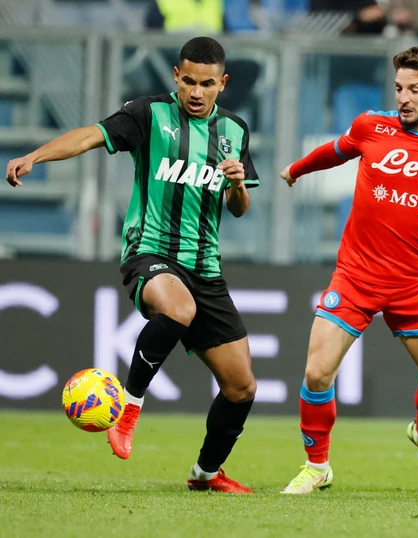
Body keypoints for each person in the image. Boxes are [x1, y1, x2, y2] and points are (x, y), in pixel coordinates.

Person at [5, 37, 259, 494]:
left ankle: (205, 474)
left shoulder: (235, 131)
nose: (195, 92)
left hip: (205, 268)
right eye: (188, 81)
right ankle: (130, 404)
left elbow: (239, 209)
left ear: (222, 83)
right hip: (150, 252)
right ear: (176, 76)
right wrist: (34, 156)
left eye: (206, 84)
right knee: (178, 308)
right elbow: (90, 135)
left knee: (242, 387)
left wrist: (238, 185)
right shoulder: (149, 114)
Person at [278, 46, 418, 495]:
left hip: (412, 283)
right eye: (399, 87)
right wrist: (296, 170)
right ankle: (317, 465)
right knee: (317, 373)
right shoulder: (371, 126)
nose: (403, 97)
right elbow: (336, 151)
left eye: (414, 89)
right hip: (355, 276)